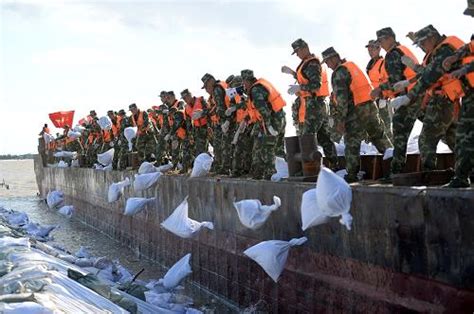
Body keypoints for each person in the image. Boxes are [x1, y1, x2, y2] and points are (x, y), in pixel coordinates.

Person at [392, 25, 464, 171]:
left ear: (432, 38)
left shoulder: (444, 50)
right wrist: (409, 80)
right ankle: (467, 172)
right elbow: (428, 71)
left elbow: (431, 75)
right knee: (455, 140)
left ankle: (431, 176)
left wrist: (409, 96)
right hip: (451, 99)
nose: (421, 47)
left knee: (426, 140)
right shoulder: (440, 49)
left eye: (422, 43)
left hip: (443, 101)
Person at [322, 47, 393, 183]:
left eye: (327, 61)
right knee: (379, 138)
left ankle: (352, 175)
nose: (328, 65)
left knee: (352, 143)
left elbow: (342, 98)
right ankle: (395, 169)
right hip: (370, 107)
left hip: (356, 111)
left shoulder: (339, 72)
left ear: (334, 58)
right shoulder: (351, 65)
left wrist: (341, 119)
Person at [372, 27, 421, 179]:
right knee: (440, 131)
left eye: (381, 41)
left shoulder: (393, 55)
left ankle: (396, 173)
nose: (380, 45)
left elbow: (395, 80)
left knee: (399, 134)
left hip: (408, 99)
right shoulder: (403, 49)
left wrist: (380, 90)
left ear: (389, 38)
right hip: (420, 94)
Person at [282, 38, 338, 167]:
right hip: (318, 104)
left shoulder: (312, 63)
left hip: (314, 105)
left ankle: (310, 168)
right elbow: (305, 77)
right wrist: (292, 73)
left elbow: (315, 85)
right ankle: (334, 164)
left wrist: (300, 88)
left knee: (307, 136)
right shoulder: (308, 63)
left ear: (304, 48)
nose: (297, 55)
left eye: (297, 51)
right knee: (324, 137)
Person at [444, 0, 474, 187]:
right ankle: (462, 177)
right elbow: (470, 47)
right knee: (463, 133)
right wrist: (455, 56)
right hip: (471, 94)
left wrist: (465, 69)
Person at [241, 69, 286, 180]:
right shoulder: (259, 86)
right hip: (279, 118)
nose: (243, 85)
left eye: (244, 82)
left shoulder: (255, 90)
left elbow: (263, 109)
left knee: (267, 148)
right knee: (278, 148)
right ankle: (282, 172)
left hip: (272, 120)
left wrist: (269, 125)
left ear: (247, 81)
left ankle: (270, 174)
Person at [202, 73, 232, 174]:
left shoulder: (217, 90)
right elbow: (216, 108)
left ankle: (224, 168)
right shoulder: (219, 88)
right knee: (222, 145)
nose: (206, 90)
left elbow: (221, 107)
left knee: (223, 145)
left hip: (225, 121)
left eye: (206, 86)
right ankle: (222, 167)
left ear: (211, 81)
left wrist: (225, 121)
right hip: (226, 120)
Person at [365, 40, 393, 140]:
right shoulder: (370, 65)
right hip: (372, 100)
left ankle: (391, 149)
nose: (370, 50)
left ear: (379, 49)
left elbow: (389, 81)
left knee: (385, 126)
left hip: (382, 99)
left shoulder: (383, 63)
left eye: (373, 48)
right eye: (369, 48)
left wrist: (384, 97)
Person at [181, 88, 209, 156]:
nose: (185, 100)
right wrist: (190, 135)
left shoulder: (201, 100)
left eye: (186, 97)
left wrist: (202, 113)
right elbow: (188, 123)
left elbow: (209, 110)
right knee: (201, 149)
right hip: (198, 130)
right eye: (183, 98)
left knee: (216, 145)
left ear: (190, 95)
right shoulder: (186, 108)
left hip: (208, 126)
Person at [166, 92, 187, 171]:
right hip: (177, 133)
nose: (167, 100)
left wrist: (170, 134)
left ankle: (186, 167)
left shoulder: (179, 106)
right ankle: (175, 166)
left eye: (168, 98)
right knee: (175, 150)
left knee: (186, 151)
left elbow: (178, 121)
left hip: (185, 131)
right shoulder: (169, 107)